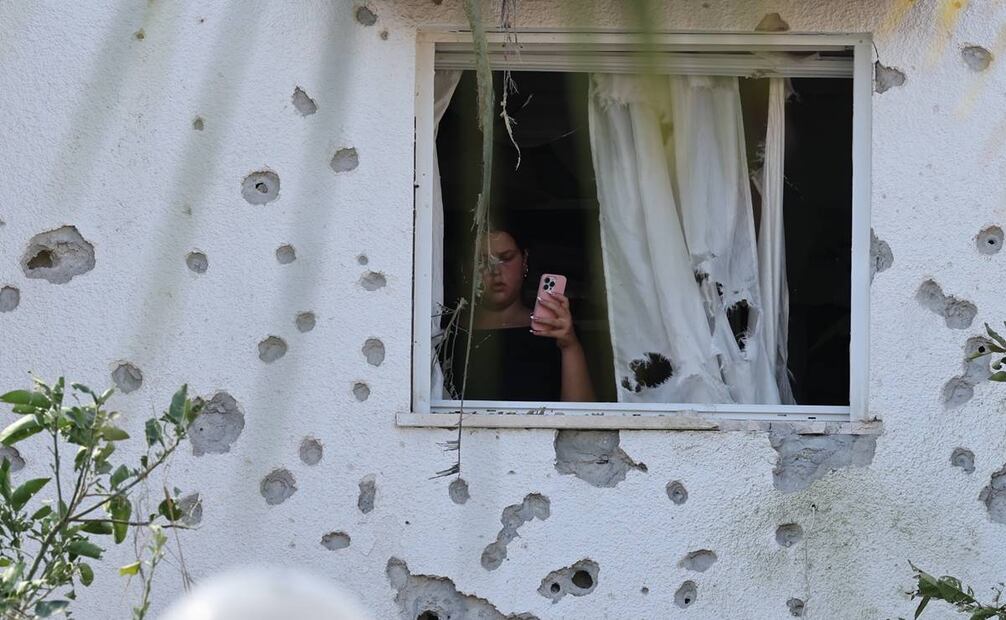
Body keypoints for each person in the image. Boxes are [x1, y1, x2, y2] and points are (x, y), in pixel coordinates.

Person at [444, 224, 595, 402]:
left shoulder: (557, 331)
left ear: (524, 261)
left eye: (506, 258)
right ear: (466, 268)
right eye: (482, 261)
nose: (496, 271)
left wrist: (570, 345)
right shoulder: (446, 335)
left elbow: (582, 417)